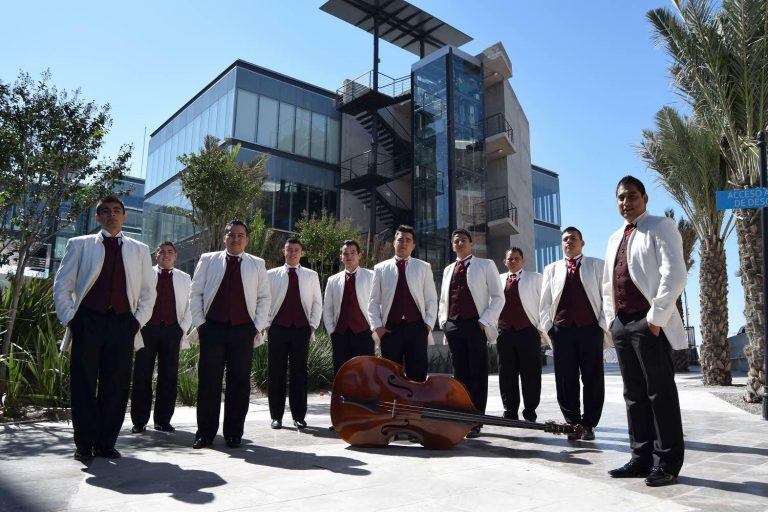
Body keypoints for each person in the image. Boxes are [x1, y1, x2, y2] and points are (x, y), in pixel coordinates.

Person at [53, 195, 156, 461]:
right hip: (87, 322)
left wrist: (136, 322)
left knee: (117, 385)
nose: (112, 214)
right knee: (83, 384)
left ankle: (106, 443)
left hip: (123, 324)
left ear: (125, 216)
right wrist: (71, 319)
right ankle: (84, 443)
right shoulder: (79, 245)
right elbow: (62, 286)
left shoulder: (140, 250)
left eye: (117, 210)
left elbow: (148, 292)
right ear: (97, 217)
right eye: (106, 211)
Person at [603, 175, 686, 487]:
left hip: (649, 322)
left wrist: (656, 318)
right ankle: (641, 458)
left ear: (645, 198)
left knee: (659, 393)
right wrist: (613, 321)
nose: (627, 203)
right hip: (623, 324)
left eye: (632, 196)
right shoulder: (614, 238)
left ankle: (668, 462)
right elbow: (608, 283)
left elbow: (674, 273)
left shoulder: (660, 226)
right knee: (634, 395)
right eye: (621, 198)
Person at [189, 220, 270, 449]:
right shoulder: (208, 260)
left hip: (243, 331)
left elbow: (264, 297)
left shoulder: (257, 264)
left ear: (247, 239)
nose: (236, 239)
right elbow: (195, 293)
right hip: (211, 329)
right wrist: (201, 325)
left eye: (240, 235)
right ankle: (205, 433)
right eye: (231, 234)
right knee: (208, 383)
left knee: (239, 383)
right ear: (225, 237)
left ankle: (234, 433)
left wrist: (257, 327)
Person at [540, 227, 608, 441]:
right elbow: (544, 303)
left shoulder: (597, 265)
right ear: (562, 244)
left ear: (582, 242)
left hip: (590, 330)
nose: (569, 242)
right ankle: (572, 423)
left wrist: (601, 326)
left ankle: (589, 424)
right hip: (561, 332)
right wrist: (549, 328)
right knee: (565, 379)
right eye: (565, 239)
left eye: (573, 238)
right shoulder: (551, 269)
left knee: (592, 379)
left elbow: (607, 297)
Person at [437, 229, 504, 438]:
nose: (460, 243)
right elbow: (443, 300)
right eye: (456, 240)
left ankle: (476, 420)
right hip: (454, 326)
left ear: (471, 244)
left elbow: (498, 297)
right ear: (452, 245)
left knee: (477, 373)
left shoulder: (486, 265)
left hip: (476, 325)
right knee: (460, 375)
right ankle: (461, 416)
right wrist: (444, 322)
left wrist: (484, 321)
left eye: (464, 240)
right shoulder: (448, 269)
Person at [130, 242, 192, 434]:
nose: (166, 255)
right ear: (156, 255)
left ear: (176, 256)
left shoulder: (184, 278)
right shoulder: (144, 273)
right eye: (162, 252)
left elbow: (190, 306)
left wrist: (181, 328)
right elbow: (134, 299)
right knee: (142, 376)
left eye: (170, 252)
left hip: (172, 331)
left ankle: (163, 420)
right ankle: (139, 421)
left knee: (169, 377)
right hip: (147, 330)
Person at [368, 225, 437, 382]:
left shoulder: (424, 267)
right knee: (391, 377)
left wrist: (427, 326)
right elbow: (372, 302)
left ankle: (417, 407)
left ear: (413, 245)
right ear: (394, 243)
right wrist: (378, 328)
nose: (403, 243)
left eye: (408, 240)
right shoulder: (380, 269)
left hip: (417, 330)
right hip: (390, 331)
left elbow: (432, 300)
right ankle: (394, 407)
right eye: (400, 239)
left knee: (418, 375)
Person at [266, 238, 322, 430]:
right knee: (276, 373)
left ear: (301, 253)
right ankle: (276, 416)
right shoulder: (271, 275)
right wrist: (267, 326)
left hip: (301, 330)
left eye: (296, 250)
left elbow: (317, 303)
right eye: (289, 250)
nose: (292, 253)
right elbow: (264, 300)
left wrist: (312, 326)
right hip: (277, 330)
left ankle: (299, 416)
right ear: (284, 251)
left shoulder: (311, 275)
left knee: (299, 374)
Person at [496, 247, 545, 423]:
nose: (513, 261)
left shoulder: (536, 278)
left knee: (530, 373)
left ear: (523, 261)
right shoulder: (498, 279)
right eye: (510, 259)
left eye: (517, 259)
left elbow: (544, 303)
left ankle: (530, 410)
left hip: (528, 332)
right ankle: (510, 410)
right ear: (505, 261)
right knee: (506, 373)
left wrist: (540, 328)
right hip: (504, 333)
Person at [323, 240, 374, 376]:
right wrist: (332, 331)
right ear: (341, 257)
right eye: (345, 253)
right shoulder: (332, 280)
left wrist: (374, 329)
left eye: (352, 253)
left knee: (366, 372)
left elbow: (377, 304)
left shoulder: (372, 276)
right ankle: (342, 397)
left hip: (364, 333)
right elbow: (327, 308)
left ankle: (366, 397)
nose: (349, 256)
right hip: (340, 334)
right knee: (342, 373)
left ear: (359, 255)